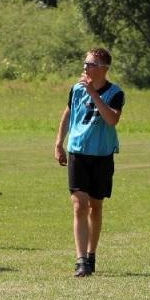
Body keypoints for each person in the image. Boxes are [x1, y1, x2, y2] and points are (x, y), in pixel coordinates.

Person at [54, 48, 124, 278]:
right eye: (85, 64)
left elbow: (112, 120)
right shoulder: (76, 89)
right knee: (79, 204)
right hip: (78, 152)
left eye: (91, 64)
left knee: (96, 206)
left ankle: (91, 253)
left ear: (103, 68)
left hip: (101, 155)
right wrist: (58, 143)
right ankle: (81, 259)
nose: (86, 68)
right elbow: (68, 112)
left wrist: (93, 93)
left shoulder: (115, 93)